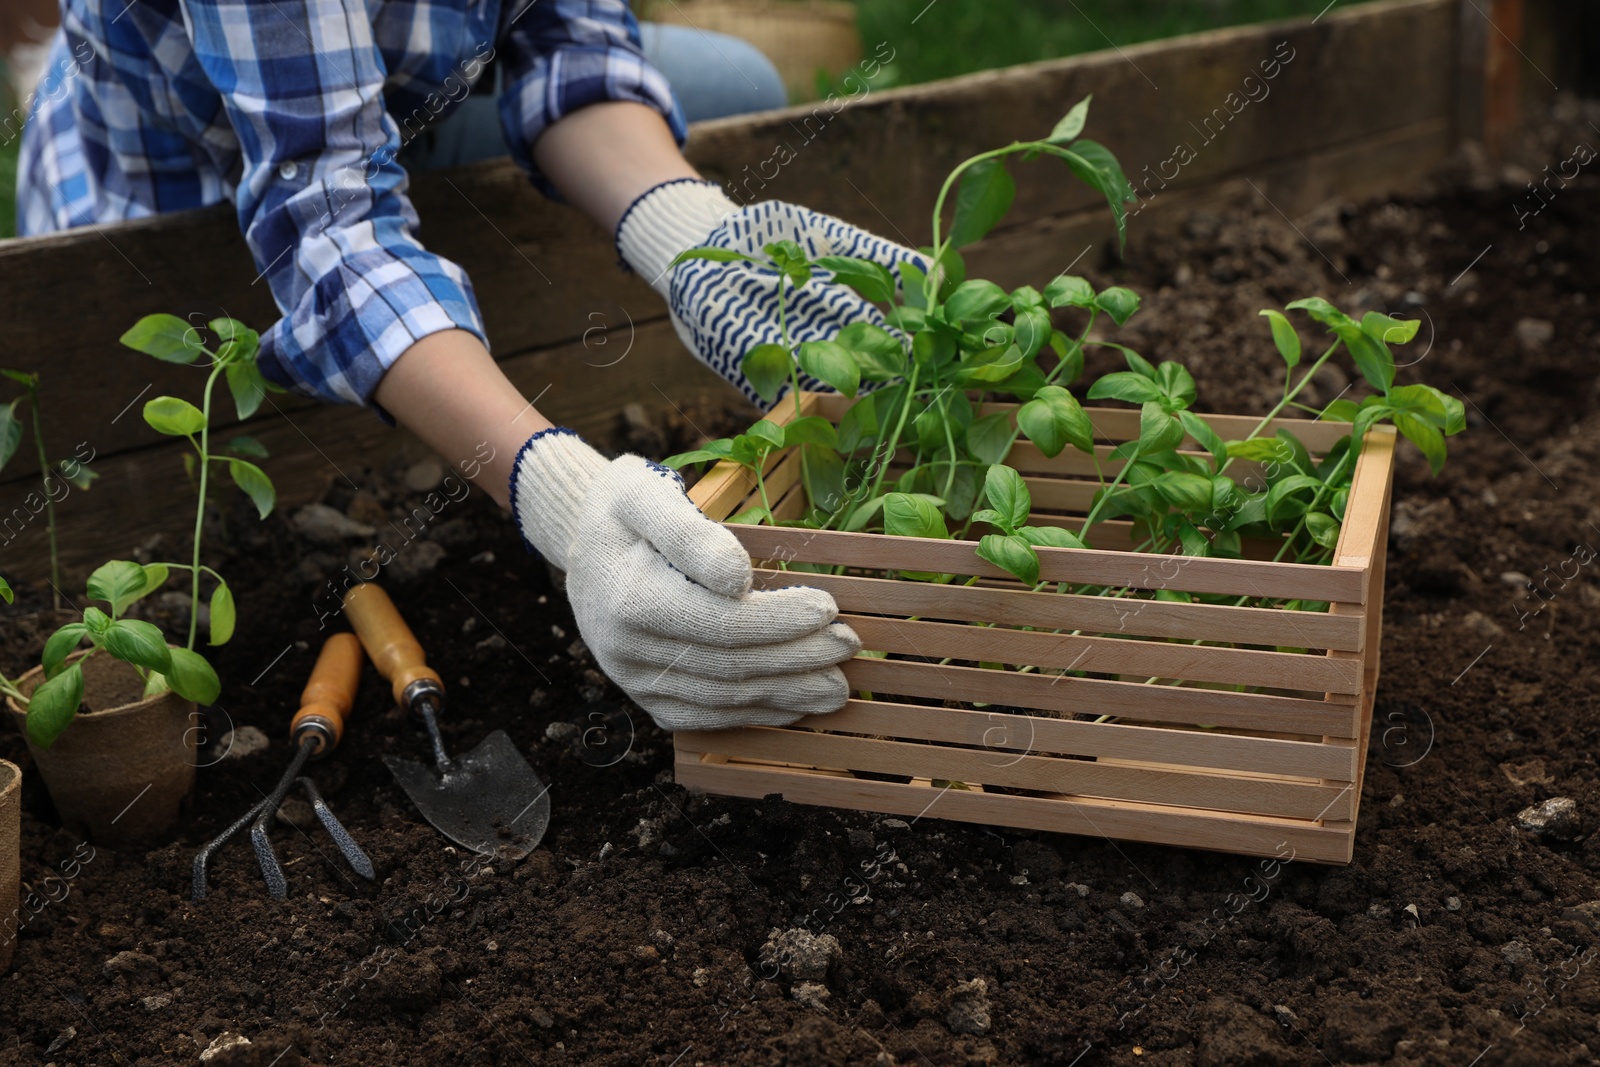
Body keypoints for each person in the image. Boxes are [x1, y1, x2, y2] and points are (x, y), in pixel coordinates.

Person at [17, 0, 927, 733]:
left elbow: (566, 37)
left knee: (738, 84)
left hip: (401, 105)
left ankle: (446, 291)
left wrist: (687, 236)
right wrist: (565, 498)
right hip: (197, 196)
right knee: (279, 267)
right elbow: (331, 229)